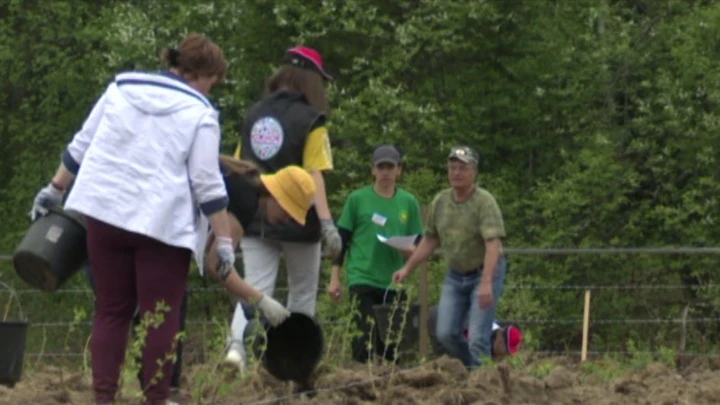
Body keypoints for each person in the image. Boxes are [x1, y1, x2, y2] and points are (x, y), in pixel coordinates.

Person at [29, 33, 290, 405]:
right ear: (201, 73)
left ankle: (104, 397)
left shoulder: (120, 88)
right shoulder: (199, 112)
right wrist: (226, 243)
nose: (212, 88)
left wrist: (54, 189)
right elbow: (206, 183)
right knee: (160, 313)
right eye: (213, 81)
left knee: (111, 310)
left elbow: (81, 145)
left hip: (105, 212)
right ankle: (155, 398)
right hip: (161, 225)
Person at [224, 45, 342, 370]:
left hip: (255, 214)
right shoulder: (312, 120)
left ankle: (237, 351)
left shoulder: (253, 114)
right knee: (302, 293)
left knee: (255, 288)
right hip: (299, 220)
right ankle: (293, 360)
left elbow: (239, 166)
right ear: (309, 79)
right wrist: (328, 223)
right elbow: (314, 174)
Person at [392, 145, 508, 369]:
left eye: (462, 169)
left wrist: (486, 284)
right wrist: (408, 268)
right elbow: (429, 239)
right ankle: (472, 370)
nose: (456, 173)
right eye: (452, 168)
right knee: (445, 333)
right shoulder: (441, 202)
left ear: (474, 173)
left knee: (477, 337)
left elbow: (493, 244)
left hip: (484, 271)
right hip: (456, 275)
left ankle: (482, 383)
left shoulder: (484, 202)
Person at [328, 145, 424, 363]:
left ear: (399, 170)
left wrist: (409, 252)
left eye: (390, 167)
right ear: (372, 170)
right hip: (363, 278)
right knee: (364, 342)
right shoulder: (357, 199)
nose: (385, 173)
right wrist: (335, 278)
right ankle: (362, 387)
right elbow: (341, 241)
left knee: (393, 348)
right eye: (381, 167)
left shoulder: (408, 203)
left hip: (394, 281)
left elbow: (419, 245)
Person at [426, 304, 522, 361]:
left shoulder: (492, 331)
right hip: (440, 319)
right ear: (501, 340)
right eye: (506, 351)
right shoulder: (480, 335)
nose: (505, 356)